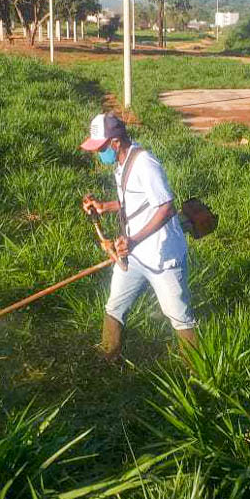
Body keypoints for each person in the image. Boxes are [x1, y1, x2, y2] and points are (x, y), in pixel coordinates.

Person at [80, 112, 198, 360]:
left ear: (115, 142)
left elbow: (165, 206)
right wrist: (104, 206)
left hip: (161, 257)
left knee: (179, 316)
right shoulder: (122, 163)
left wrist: (133, 240)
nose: (99, 154)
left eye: (101, 147)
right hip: (133, 255)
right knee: (114, 306)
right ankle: (108, 357)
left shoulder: (145, 163)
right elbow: (132, 200)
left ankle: (197, 374)